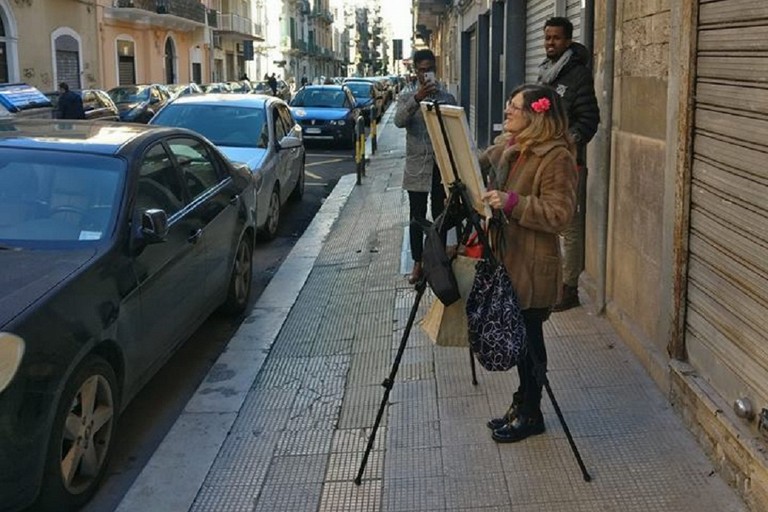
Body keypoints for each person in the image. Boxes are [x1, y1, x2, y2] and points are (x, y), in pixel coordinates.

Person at [479, 84, 578, 443]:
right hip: (511, 262)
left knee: (530, 346)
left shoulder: (556, 157)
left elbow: (560, 214)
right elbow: (476, 161)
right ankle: (521, 403)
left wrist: (511, 202)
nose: (506, 113)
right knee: (521, 342)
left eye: (513, 108)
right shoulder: (513, 148)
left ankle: (532, 414)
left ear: (535, 115)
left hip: (534, 268)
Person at [537, 17, 600, 312]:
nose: (550, 43)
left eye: (556, 38)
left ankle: (570, 288)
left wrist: (566, 144)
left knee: (570, 225)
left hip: (567, 162)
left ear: (568, 42)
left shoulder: (578, 75)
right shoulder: (546, 73)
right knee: (548, 221)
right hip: (543, 161)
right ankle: (553, 280)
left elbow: (589, 120)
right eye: (547, 37)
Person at [394, 49, 457, 284]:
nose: (425, 73)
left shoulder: (447, 97)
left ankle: (438, 260)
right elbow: (399, 121)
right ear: (415, 71)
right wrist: (417, 98)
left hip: (441, 165)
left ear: (435, 69)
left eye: (429, 69)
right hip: (417, 166)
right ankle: (417, 264)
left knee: (440, 216)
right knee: (416, 217)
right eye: (421, 70)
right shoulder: (406, 96)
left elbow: (454, 130)